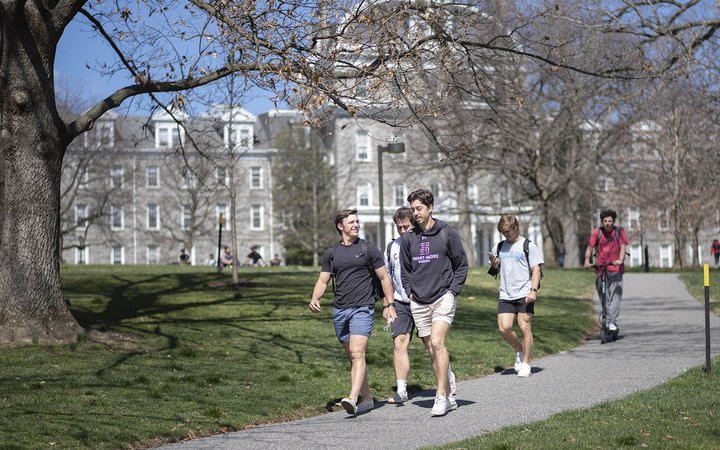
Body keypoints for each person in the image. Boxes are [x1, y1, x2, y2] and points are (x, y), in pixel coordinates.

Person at [308, 209, 396, 416]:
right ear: (341, 226)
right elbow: (323, 280)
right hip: (340, 310)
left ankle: (351, 398)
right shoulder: (332, 253)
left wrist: (388, 305)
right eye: (351, 222)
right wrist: (315, 298)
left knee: (357, 353)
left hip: (362, 308)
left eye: (357, 221)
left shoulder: (368, 249)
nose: (356, 225)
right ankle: (367, 399)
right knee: (354, 357)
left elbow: (384, 278)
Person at [400, 189, 468, 417]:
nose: (415, 213)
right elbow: (405, 269)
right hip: (418, 300)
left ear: (430, 208)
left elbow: (461, 264)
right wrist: (410, 291)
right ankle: (448, 395)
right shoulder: (409, 238)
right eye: (412, 209)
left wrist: (452, 292)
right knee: (431, 349)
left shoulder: (447, 233)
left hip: (442, 297)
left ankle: (440, 397)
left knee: (438, 343)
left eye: (419, 208)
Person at [385, 207, 456, 405]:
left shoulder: (422, 241)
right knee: (399, 341)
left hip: (425, 299)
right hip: (401, 302)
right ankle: (401, 389)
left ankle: (447, 378)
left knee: (433, 345)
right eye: (398, 227)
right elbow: (388, 277)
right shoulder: (391, 247)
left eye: (405, 226)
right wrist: (387, 304)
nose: (402, 231)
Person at [488, 215, 544, 378]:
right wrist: (494, 264)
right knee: (504, 328)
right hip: (506, 293)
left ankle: (526, 363)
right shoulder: (499, 247)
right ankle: (519, 349)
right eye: (503, 232)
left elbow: (536, 269)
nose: (506, 235)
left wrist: (533, 290)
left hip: (525, 292)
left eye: (508, 232)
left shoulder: (528, 246)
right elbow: (494, 270)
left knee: (524, 326)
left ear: (516, 228)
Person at [583, 209, 629, 334]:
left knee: (615, 296)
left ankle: (612, 321)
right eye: (605, 221)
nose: (607, 223)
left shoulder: (619, 232)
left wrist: (620, 260)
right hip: (600, 268)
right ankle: (608, 319)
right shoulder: (597, 232)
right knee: (604, 297)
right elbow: (590, 247)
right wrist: (587, 260)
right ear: (602, 222)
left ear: (613, 222)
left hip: (615, 269)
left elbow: (623, 247)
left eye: (610, 221)